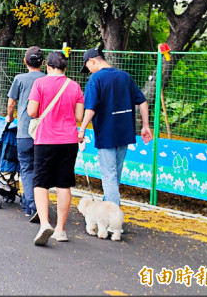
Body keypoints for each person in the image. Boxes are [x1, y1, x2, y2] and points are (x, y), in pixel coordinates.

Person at [78, 47, 152, 206]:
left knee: (109, 176)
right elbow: (142, 101)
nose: (89, 71)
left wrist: (82, 128)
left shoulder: (96, 79)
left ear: (92, 61)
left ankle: (112, 219)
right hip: (124, 133)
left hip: (106, 134)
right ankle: (109, 212)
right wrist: (145, 125)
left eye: (88, 67)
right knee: (115, 176)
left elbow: (90, 108)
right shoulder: (125, 76)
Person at [27, 51, 84, 246]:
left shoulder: (40, 84)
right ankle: (60, 229)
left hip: (45, 140)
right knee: (63, 184)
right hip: (68, 141)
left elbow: (32, 111)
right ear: (65, 68)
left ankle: (44, 224)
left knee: (41, 182)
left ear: (47, 67)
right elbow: (78, 116)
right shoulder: (74, 86)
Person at [4, 46, 45, 223]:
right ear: (43, 63)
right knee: (40, 169)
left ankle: (30, 206)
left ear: (25, 61)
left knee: (26, 168)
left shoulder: (19, 79)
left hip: (24, 132)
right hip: (44, 133)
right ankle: (41, 205)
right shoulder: (47, 79)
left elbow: (11, 102)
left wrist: (10, 117)